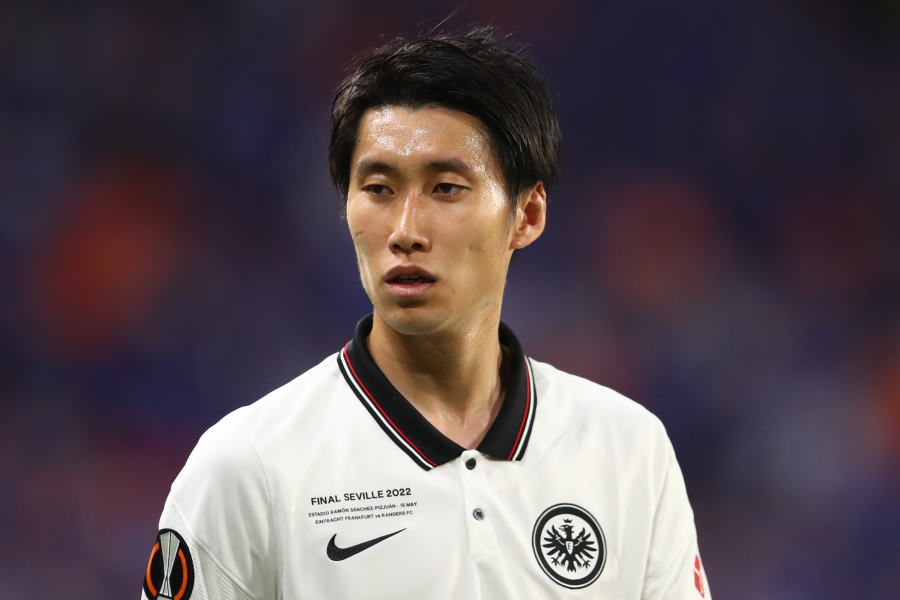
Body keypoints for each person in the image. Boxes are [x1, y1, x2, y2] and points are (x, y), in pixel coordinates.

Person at [141, 27, 711, 599]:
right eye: (379, 189)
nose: (405, 231)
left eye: (445, 188)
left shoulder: (629, 450)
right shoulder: (248, 465)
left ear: (528, 214)